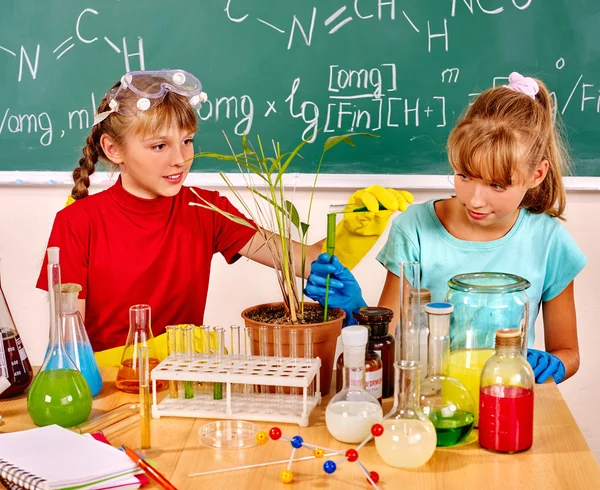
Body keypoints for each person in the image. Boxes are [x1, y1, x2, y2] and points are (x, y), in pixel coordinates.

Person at [36, 69, 411, 358]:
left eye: (186, 141)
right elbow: (68, 347)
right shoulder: (76, 223)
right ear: (113, 149)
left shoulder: (206, 208)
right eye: (159, 145)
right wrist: (144, 357)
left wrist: (356, 228)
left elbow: (304, 262)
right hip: (108, 388)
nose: (179, 159)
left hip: (184, 379)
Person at [306, 72, 587, 384]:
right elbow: (387, 345)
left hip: (505, 402)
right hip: (431, 403)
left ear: (537, 174)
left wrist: (554, 363)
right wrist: (357, 312)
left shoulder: (549, 242)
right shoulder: (414, 228)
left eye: (496, 185)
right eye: (464, 175)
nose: (476, 200)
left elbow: (567, 351)